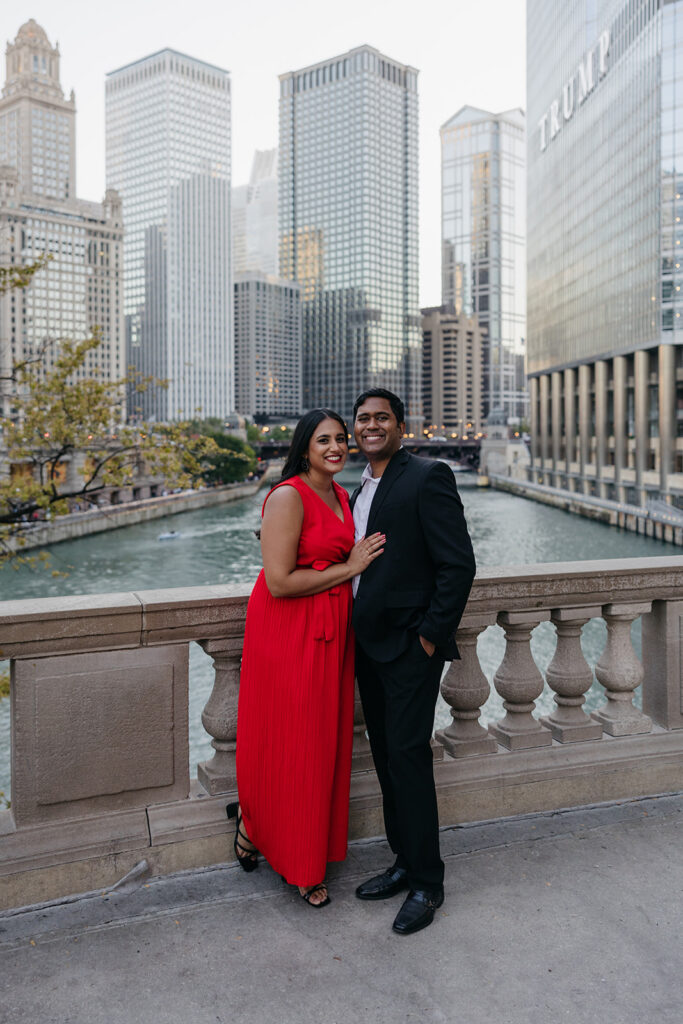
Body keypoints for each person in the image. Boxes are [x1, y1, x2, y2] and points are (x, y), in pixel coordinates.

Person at [229, 409, 385, 907]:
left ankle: (262, 829)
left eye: (342, 439)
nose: (337, 447)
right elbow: (279, 582)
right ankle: (297, 863)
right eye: (325, 440)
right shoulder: (289, 495)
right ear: (304, 447)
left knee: (321, 746)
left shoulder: (341, 494)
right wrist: (350, 567)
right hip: (289, 634)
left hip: (331, 635)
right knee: (294, 743)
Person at [350, 388, 476, 935]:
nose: (370, 426)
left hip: (407, 647)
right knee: (386, 758)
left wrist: (428, 638)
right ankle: (403, 862)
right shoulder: (359, 487)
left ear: (401, 425)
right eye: (362, 419)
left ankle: (428, 882)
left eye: (381, 418)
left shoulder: (428, 475)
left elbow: (458, 565)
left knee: (408, 761)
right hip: (366, 645)